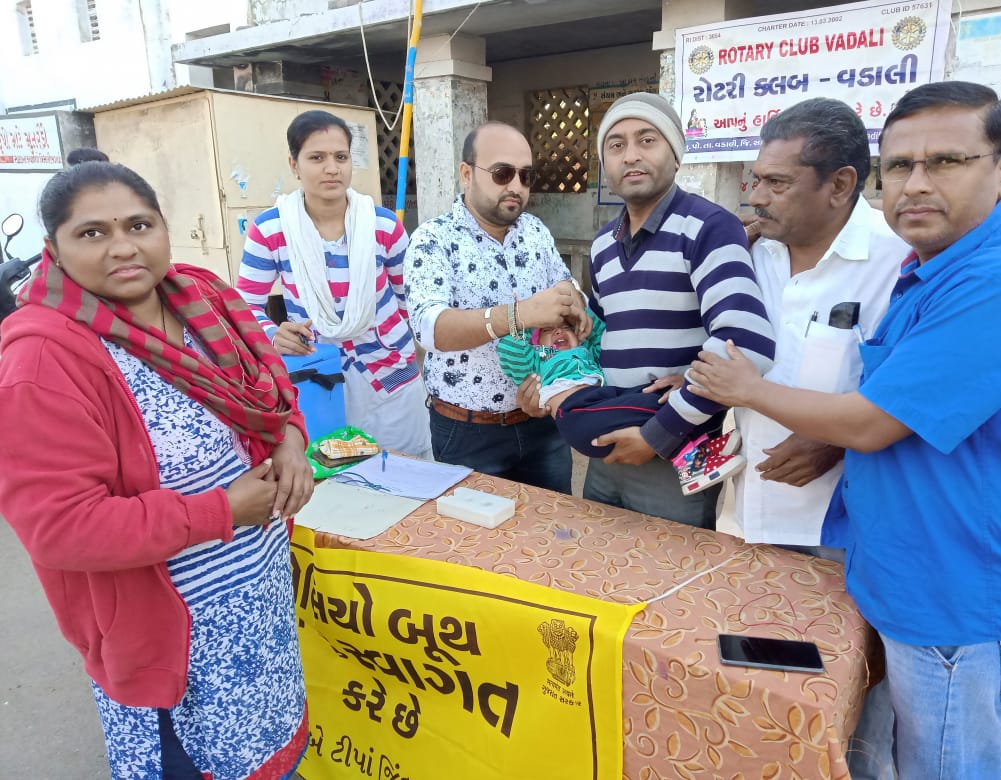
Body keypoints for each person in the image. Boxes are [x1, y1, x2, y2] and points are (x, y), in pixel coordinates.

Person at [687, 81, 1001, 778]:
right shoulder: (931, 266)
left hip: (955, 600)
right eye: (901, 166)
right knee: (840, 738)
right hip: (887, 568)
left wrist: (756, 393)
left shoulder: (994, 280)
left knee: (928, 762)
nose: (915, 184)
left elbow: (875, 420)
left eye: (945, 162)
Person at [0, 161, 313, 777]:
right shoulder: (45, 356)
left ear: (164, 228)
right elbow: (61, 528)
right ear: (53, 250)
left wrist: (291, 444)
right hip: (169, 641)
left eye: (139, 224)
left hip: (257, 614)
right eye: (91, 233)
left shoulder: (201, 298)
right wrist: (222, 510)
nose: (123, 246)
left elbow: (271, 392)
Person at [736, 97, 908, 780]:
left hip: (840, 532)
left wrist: (835, 442)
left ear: (839, 185)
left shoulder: (895, 262)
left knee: (850, 713)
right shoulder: (753, 253)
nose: (756, 195)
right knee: (759, 691)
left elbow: (905, 402)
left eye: (776, 183)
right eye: (755, 179)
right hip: (746, 515)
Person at [519, 91, 774, 526]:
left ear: (676, 154)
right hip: (606, 451)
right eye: (615, 145)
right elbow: (596, 339)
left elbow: (746, 344)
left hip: (671, 456)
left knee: (665, 581)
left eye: (647, 140)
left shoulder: (708, 228)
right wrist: (551, 381)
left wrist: (658, 433)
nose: (631, 155)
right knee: (597, 570)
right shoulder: (603, 244)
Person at [404, 121, 589, 494]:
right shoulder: (434, 239)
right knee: (476, 547)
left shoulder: (535, 231)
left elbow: (569, 290)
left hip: (544, 424)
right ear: (467, 174)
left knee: (551, 538)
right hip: (469, 433)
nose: (516, 186)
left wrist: (575, 308)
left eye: (525, 176)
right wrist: (519, 314)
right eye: (503, 173)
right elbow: (430, 329)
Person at [237, 109, 432, 459]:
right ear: (294, 164)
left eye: (340, 157)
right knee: (336, 479)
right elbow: (243, 306)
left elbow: (412, 301)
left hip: (391, 374)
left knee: (406, 474)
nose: (332, 168)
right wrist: (273, 333)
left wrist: (414, 358)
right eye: (316, 158)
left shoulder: (382, 225)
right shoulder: (271, 230)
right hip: (321, 377)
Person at [498, 319, 744, 493]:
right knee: (657, 408)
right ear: (536, 342)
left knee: (660, 392)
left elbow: (597, 331)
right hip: (575, 414)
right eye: (548, 331)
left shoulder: (587, 352)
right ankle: (691, 465)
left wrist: (580, 313)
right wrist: (525, 318)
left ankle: (700, 449)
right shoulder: (537, 358)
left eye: (565, 328)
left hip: (604, 400)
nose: (559, 332)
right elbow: (509, 348)